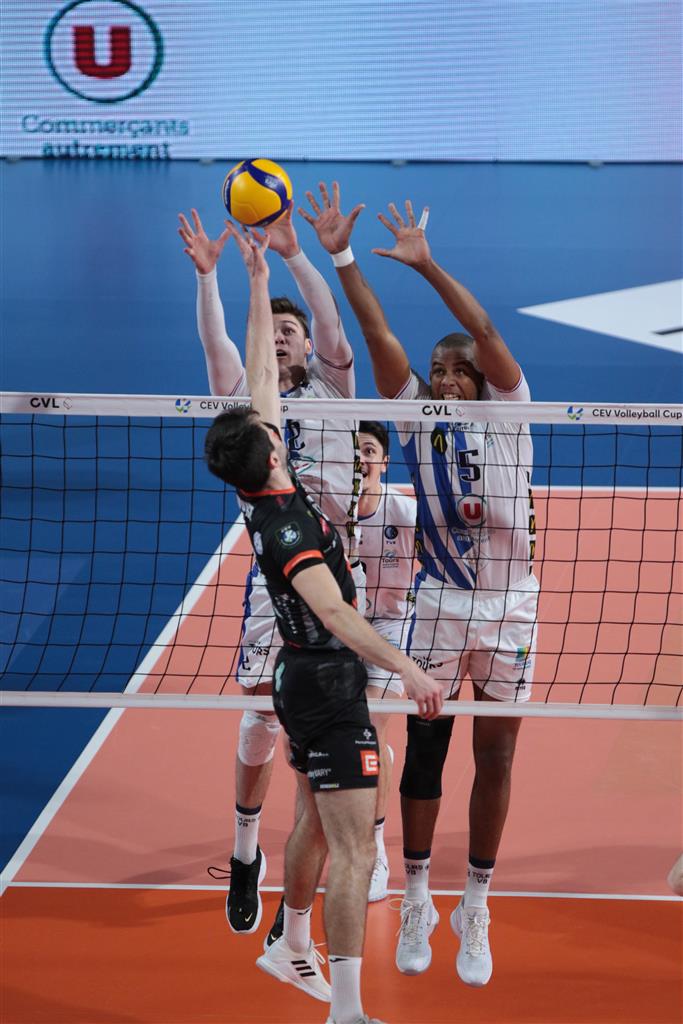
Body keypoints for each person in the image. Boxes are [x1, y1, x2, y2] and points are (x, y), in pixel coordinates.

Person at [300, 182, 539, 987]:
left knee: (495, 757)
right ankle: (415, 895)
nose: (444, 378)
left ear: (483, 379)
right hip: (436, 605)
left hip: (509, 607)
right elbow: (376, 334)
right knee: (427, 750)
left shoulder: (511, 410)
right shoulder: (414, 416)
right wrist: (341, 256)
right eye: (437, 371)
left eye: (457, 371)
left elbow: (486, 331)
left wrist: (427, 266)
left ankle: (475, 903)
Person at [205, 224, 443, 1024]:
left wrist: (254, 279)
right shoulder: (290, 529)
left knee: (312, 816)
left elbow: (259, 381)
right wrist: (405, 668)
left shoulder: (261, 488)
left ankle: (290, 942)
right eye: (268, 425)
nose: (272, 415)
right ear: (272, 452)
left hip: (302, 681)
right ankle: (345, 1008)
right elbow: (336, 612)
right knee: (352, 847)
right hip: (326, 684)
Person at [178, 205, 364, 939]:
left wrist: (291, 257)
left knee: (348, 723)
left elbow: (332, 323)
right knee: (260, 715)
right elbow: (221, 342)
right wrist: (210, 277)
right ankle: (246, 850)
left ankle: (339, 855)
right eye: (275, 329)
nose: (283, 335)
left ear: (309, 346)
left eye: (293, 330)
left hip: (351, 569)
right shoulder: (251, 407)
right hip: (279, 578)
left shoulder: (336, 385)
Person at [356, 421, 417, 901]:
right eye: (355, 451)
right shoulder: (328, 511)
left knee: (370, 730)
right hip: (341, 628)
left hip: (393, 628)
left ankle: (375, 848)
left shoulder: (404, 512)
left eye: (370, 450)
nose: (361, 459)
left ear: (384, 461)